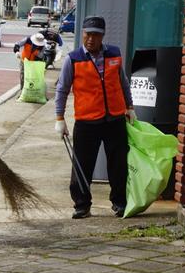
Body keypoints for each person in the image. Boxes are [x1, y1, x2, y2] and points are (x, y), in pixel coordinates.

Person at [54, 16, 135, 219]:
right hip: (86, 120)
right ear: (83, 34)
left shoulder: (114, 54)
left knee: (118, 165)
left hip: (114, 119)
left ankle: (119, 202)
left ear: (102, 36)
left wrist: (130, 106)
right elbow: (62, 90)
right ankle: (81, 205)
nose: (91, 39)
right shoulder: (73, 59)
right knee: (82, 164)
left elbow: (123, 83)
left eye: (96, 35)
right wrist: (59, 118)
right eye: (88, 34)